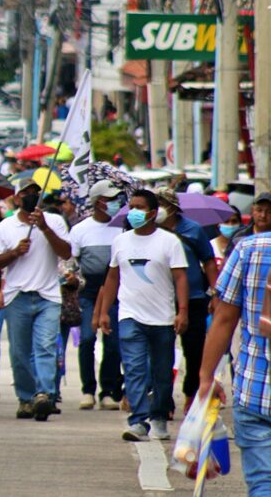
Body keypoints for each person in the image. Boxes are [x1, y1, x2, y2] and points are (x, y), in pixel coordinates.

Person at [98, 189, 188, 442]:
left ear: (152, 212)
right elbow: (112, 276)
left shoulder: (169, 241)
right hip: (130, 315)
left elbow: (180, 277)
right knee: (135, 370)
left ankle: (159, 416)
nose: (134, 212)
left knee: (161, 371)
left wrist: (182, 312)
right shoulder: (121, 241)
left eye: (139, 207)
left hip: (162, 318)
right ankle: (138, 421)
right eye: (131, 207)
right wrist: (104, 311)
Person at [197, 191, 271, 495]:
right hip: (254, 389)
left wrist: (206, 377)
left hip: (256, 387)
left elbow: (224, 319)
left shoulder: (248, 249)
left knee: (263, 483)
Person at [0, 178, 71, 422]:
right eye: (25, 193)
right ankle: (25, 397)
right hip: (17, 296)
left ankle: (44, 394)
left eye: (35, 192)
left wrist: (45, 228)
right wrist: (14, 252)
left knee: (45, 347)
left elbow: (66, 252)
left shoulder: (54, 221)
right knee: (19, 351)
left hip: (48, 295)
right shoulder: (5, 227)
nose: (31, 196)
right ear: (16, 199)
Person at [155, 186, 218, 413]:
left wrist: (215, 293)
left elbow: (209, 262)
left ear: (173, 207)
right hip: (161, 300)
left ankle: (191, 392)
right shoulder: (150, 231)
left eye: (163, 203)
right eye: (157, 203)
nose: (160, 208)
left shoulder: (192, 230)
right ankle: (164, 400)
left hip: (193, 299)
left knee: (194, 351)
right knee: (162, 351)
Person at [68, 180, 125, 411]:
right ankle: (87, 390)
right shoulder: (81, 230)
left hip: (115, 291)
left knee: (113, 342)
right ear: (97, 202)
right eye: (109, 199)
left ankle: (109, 390)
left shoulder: (122, 228)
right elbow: (71, 262)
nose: (114, 203)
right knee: (87, 339)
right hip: (88, 292)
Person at [210, 204, 243, 271]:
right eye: (226, 221)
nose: (230, 225)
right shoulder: (210, 245)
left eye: (234, 221)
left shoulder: (244, 245)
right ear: (218, 224)